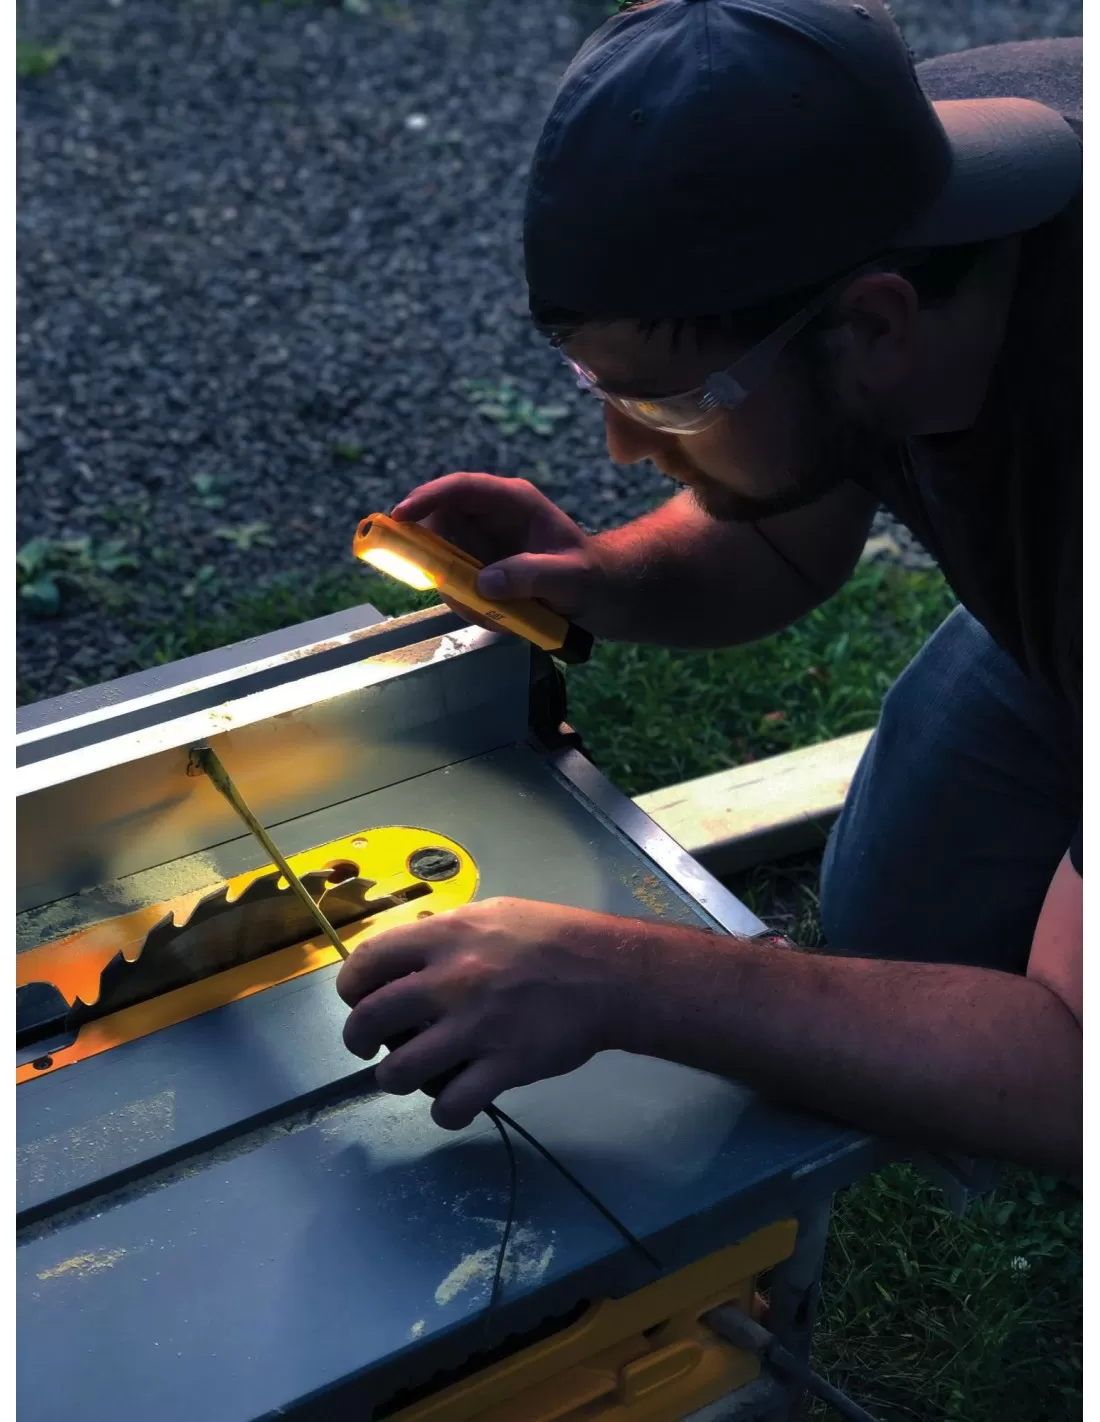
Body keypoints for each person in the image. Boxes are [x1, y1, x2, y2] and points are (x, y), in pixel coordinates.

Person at [336, 0, 1082, 1173]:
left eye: (667, 403)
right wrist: (601, 577)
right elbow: (781, 535)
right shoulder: (848, 184)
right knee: (897, 929)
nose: (622, 447)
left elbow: (1072, 1073)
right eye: (602, 386)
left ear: (874, 327)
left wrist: (617, 977)